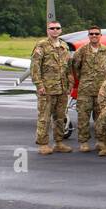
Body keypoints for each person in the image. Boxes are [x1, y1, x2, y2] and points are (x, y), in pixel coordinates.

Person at [31, 20, 73, 155]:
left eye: (57, 28)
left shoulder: (64, 46)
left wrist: (69, 85)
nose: (55, 30)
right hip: (47, 89)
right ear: (47, 30)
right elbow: (35, 67)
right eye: (52, 28)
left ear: (61, 30)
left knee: (60, 117)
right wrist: (39, 85)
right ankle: (43, 144)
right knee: (44, 117)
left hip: (62, 88)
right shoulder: (41, 46)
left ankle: (59, 142)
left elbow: (68, 68)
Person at [70, 25, 106, 152]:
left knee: (101, 118)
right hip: (85, 91)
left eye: (96, 34)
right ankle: (84, 142)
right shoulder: (82, 51)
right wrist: (85, 79)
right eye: (91, 34)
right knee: (83, 117)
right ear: (88, 36)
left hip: (101, 91)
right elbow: (75, 67)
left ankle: (101, 141)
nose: (94, 36)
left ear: (100, 36)